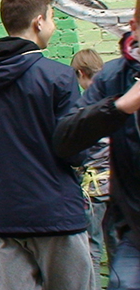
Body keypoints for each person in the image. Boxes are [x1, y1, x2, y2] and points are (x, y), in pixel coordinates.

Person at [0, 0, 94, 290]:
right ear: (39, 21)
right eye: (53, 17)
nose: (55, 26)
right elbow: (74, 149)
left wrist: (4, 189)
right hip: (57, 215)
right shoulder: (59, 77)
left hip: (6, 218)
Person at [55, 0, 140, 290]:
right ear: (134, 26)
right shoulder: (115, 78)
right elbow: (65, 139)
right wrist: (118, 108)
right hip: (131, 227)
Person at [71, 48, 114, 277]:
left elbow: (79, 150)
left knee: (92, 250)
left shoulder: (85, 106)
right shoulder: (121, 96)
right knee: (122, 250)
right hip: (121, 187)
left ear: (81, 73)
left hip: (95, 189)